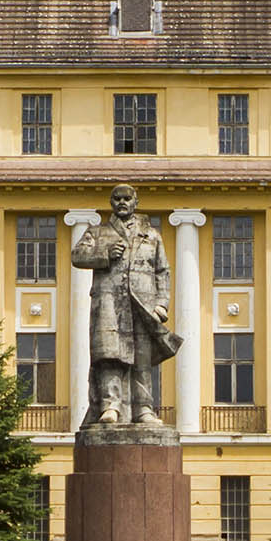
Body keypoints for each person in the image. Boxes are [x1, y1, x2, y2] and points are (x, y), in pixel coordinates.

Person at [71, 183, 179, 427]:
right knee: (110, 356)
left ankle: (143, 409)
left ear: (135, 203)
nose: (122, 202)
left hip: (143, 304)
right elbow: (77, 256)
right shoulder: (97, 232)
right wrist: (105, 253)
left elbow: (163, 271)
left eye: (127, 198)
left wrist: (162, 304)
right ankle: (111, 406)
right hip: (109, 303)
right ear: (111, 203)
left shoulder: (152, 235)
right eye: (117, 198)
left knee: (142, 359)